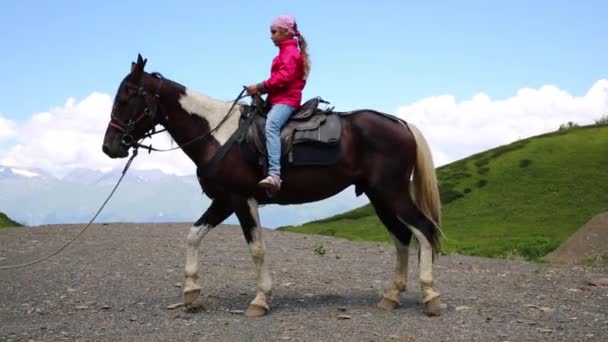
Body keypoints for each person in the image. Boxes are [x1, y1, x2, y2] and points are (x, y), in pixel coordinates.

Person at [246, 14, 311, 192]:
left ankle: (275, 174)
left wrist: (260, 86)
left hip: (287, 100)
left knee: (271, 125)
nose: (271, 36)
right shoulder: (285, 53)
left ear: (285, 32)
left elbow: (284, 78)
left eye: (274, 32)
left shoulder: (290, 53)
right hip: (278, 98)